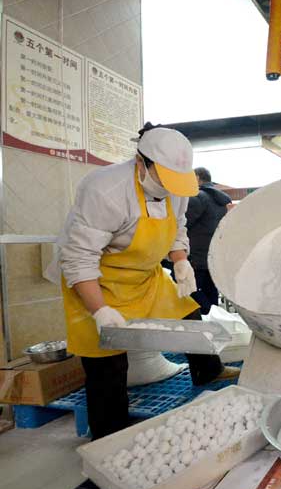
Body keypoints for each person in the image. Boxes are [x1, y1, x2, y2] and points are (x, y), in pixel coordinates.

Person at [56, 123, 239, 440]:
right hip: (98, 279)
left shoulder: (178, 189)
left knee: (187, 312)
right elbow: (78, 259)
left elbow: (177, 228)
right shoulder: (104, 190)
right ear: (141, 162)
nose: (168, 189)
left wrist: (181, 262)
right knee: (106, 360)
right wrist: (99, 309)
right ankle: (110, 435)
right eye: (162, 179)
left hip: (145, 275)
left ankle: (208, 371)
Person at [185, 167, 232, 314]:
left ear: (197, 178)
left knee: (189, 288)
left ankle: (208, 314)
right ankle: (216, 321)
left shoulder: (199, 197)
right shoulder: (221, 201)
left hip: (196, 256)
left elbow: (183, 223)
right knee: (210, 292)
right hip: (212, 256)